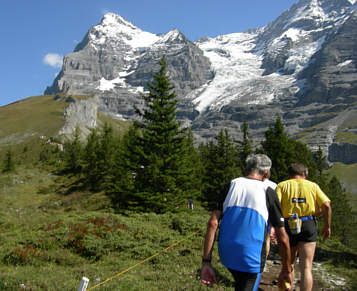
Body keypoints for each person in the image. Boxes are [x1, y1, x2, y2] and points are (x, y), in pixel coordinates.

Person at [200, 154, 292, 291]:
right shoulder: (268, 191)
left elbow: (212, 223)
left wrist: (206, 262)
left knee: (240, 283)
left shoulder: (230, 185)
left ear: (246, 169)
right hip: (251, 256)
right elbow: (283, 238)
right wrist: (286, 268)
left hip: (226, 253)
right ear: (266, 173)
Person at [276, 163, 332, 291]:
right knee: (306, 267)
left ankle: (286, 288)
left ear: (289, 175)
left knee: (288, 264)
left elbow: (276, 206)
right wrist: (327, 226)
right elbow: (327, 206)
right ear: (304, 174)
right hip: (308, 223)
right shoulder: (313, 186)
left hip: (288, 224)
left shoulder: (282, 185)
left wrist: (274, 227)